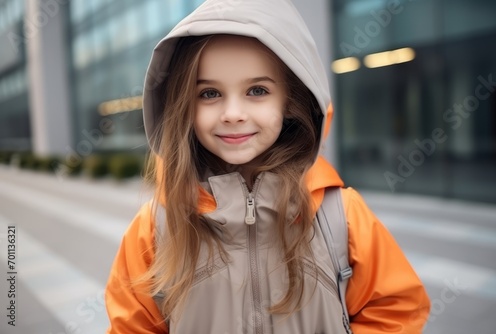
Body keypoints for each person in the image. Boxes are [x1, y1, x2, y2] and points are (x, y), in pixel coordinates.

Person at [105, 0, 431, 333]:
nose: (233, 113)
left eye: (257, 90)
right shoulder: (157, 226)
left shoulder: (340, 216)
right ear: (183, 105)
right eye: (209, 93)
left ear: (290, 100)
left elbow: (396, 309)